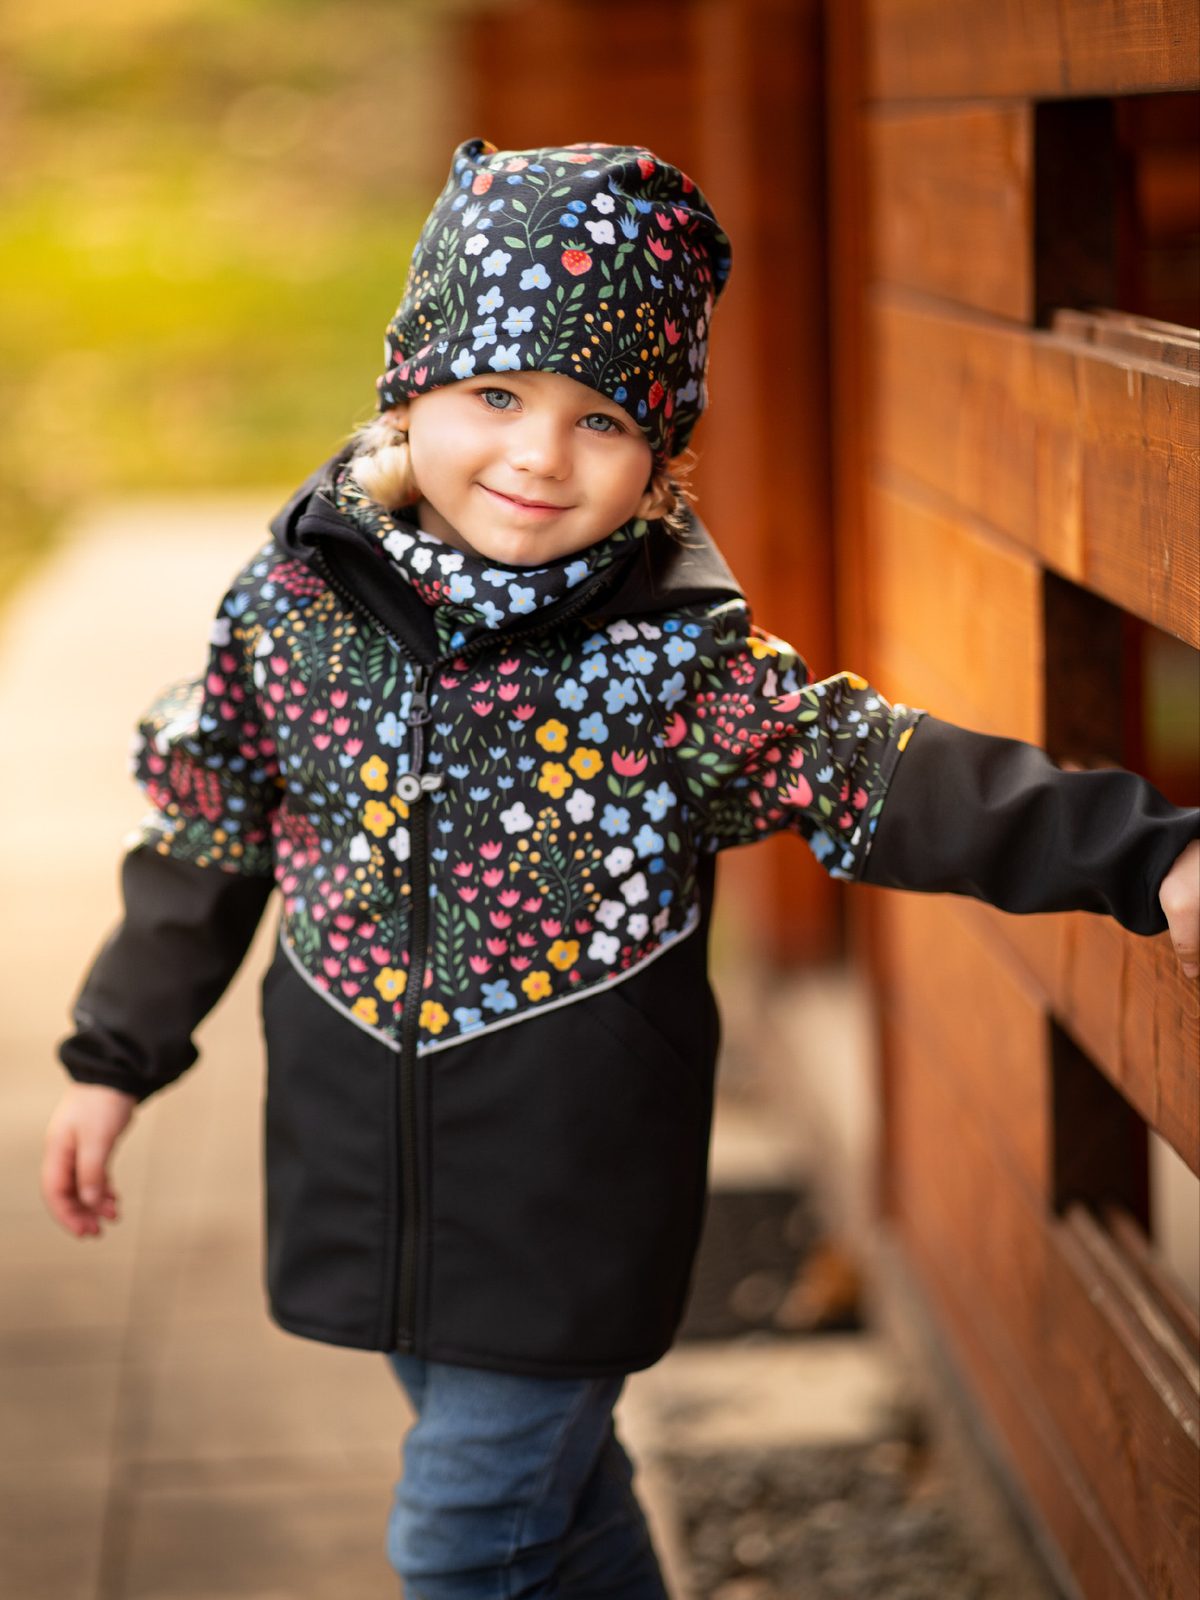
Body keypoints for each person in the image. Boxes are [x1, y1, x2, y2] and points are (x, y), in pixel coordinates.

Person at [42, 138, 1199, 1598]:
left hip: (565, 1186)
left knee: (469, 1538)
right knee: (560, 1514)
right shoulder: (293, 609)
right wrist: (115, 1054)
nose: (540, 455)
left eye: (602, 418)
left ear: (662, 452)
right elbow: (208, 822)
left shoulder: (668, 669)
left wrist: (1149, 859)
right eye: (497, 396)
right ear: (410, 387)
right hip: (362, 1158)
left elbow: (878, 772)